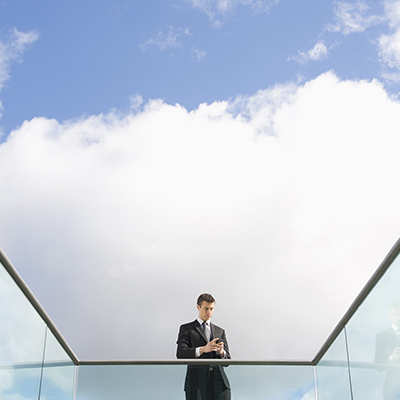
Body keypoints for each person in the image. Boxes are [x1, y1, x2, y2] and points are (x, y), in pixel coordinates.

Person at [176, 293, 231, 400]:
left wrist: (221, 352)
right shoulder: (186, 328)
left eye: (211, 309)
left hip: (220, 383)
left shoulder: (220, 331)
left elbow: (227, 361)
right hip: (196, 382)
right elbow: (180, 353)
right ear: (198, 307)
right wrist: (202, 350)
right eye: (206, 308)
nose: (209, 312)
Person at [375, 299, 400, 400]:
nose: (398, 317)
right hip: (393, 390)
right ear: (390, 313)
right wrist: (392, 358)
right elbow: (378, 365)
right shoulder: (382, 337)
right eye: (395, 314)